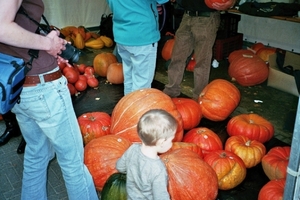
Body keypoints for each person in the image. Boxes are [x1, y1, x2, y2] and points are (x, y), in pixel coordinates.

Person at [0, 1, 98, 199]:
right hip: (43, 89)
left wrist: (44, 48)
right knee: (72, 162)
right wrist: (47, 44)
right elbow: (2, 27)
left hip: (18, 84)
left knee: (37, 154)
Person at [163, 0, 236, 100]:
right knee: (177, 56)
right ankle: (171, 91)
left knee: (202, 61)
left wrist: (231, 2)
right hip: (187, 15)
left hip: (206, 18)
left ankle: (199, 97)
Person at [106, 0, 169, 95]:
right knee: (142, 84)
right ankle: (137, 108)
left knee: (129, 77)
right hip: (142, 34)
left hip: (121, 33)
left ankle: (128, 107)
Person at [116, 109, 177, 200]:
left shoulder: (132, 149)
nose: (172, 143)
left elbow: (119, 166)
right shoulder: (158, 169)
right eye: (171, 140)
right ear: (161, 142)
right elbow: (160, 196)